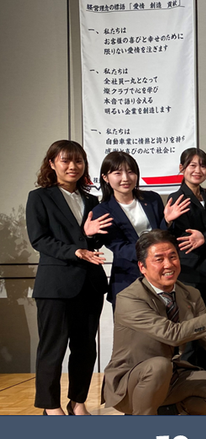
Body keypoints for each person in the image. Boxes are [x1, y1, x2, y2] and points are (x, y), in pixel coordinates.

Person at [102, 230, 206, 415]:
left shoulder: (191, 294)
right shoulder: (129, 298)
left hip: (172, 377)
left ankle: (169, 411)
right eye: (159, 259)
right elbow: (172, 334)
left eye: (173, 257)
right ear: (142, 267)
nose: (168, 264)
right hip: (130, 384)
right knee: (159, 366)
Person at [26, 140, 109, 415]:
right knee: (53, 348)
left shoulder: (92, 200)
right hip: (55, 286)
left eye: (78, 161)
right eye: (65, 160)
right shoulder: (39, 197)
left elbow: (94, 241)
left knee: (85, 349)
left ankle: (77, 402)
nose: (73, 166)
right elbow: (39, 239)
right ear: (52, 163)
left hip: (90, 284)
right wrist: (76, 249)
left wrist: (91, 237)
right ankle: (50, 406)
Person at [92, 151, 191, 308]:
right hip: (128, 278)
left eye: (130, 172)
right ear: (105, 177)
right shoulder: (102, 211)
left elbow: (163, 236)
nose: (126, 178)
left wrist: (167, 221)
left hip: (161, 275)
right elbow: (119, 246)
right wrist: (150, 257)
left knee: (166, 321)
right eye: (118, 173)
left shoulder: (152, 199)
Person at [167, 148, 206, 370]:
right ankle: (190, 379)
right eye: (192, 165)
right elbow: (189, 235)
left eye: (203, 166)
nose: (198, 170)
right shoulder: (177, 198)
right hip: (190, 271)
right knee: (192, 328)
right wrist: (205, 234)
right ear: (181, 168)